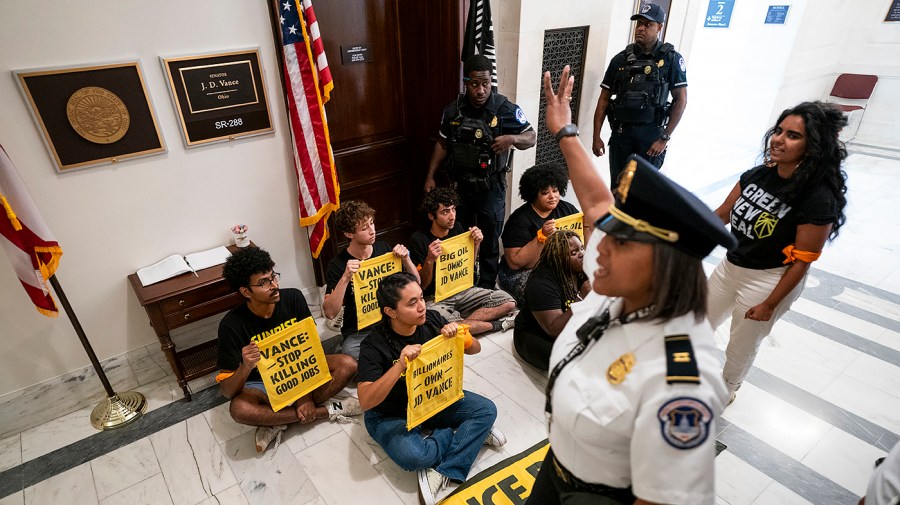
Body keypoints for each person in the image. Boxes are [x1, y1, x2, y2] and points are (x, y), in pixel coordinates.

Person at [523, 66, 737, 505]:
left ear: (662, 262)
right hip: (558, 466)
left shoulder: (683, 380)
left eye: (619, 242)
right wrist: (564, 131)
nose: (598, 246)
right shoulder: (620, 282)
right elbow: (598, 204)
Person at [707, 101, 849, 403]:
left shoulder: (818, 199)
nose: (779, 139)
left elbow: (801, 263)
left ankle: (728, 388)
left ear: (813, 146)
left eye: (793, 135)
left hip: (768, 280)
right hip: (730, 267)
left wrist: (770, 304)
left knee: (740, 345)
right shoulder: (759, 175)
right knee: (697, 322)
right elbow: (721, 213)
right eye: (779, 131)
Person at [356, 272, 507, 505]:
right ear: (390, 312)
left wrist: (461, 336)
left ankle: (446, 469)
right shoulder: (373, 345)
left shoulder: (433, 319)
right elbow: (366, 401)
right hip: (391, 414)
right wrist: (399, 366)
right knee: (416, 457)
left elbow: (475, 349)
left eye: (421, 298)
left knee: (486, 410)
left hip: (432, 399)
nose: (421, 307)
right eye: (412, 303)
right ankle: (462, 435)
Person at [216, 247, 361, 454]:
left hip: (301, 369)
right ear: (246, 291)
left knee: (348, 365)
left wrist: (304, 397)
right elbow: (227, 391)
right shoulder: (231, 325)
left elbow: (312, 352)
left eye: (273, 276)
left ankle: (275, 420)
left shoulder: (293, 298)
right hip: (262, 382)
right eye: (264, 283)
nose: (274, 285)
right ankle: (326, 411)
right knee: (239, 409)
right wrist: (246, 366)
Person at [425, 54, 537, 290]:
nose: (480, 90)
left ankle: (486, 286)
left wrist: (511, 139)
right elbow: (442, 144)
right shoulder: (453, 110)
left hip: (491, 187)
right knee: (458, 236)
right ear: (466, 83)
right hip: (460, 187)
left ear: (491, 82)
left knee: (488, 240)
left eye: (485, 83)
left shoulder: (505, 109)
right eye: (475, 84)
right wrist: (430, 176)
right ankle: (460, 283)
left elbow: (531, 136)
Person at [592, 2, 688, 183]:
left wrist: (664, 138)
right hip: (622, 135)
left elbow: (681, 100)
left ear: (659, 27)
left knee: (644, 191)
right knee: (618, 189)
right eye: (639, 24)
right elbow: (604, 100)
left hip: (651, 138)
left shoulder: (671, 59)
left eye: (647, 24)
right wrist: (596, 136)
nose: (641, 29)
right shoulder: (620, 59)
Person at [409, 187, 518, 335]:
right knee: (436, 321)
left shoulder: (458, 228)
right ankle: (496, 325)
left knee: (508, 302)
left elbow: (467, 267)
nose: (452, 216)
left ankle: (463, 324)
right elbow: (421, 285)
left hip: (462, 289)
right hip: (436, 297)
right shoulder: (419, 239)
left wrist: (476, 244)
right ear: (431, 216)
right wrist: (430, 260)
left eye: (453, 209)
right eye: (445, 212)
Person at [323, 200, 421, 360]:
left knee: (426, 329)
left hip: (392, 322)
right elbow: (330, 312)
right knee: (352, 355)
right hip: (360, 332)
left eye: (372, 223)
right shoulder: (337, 265)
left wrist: (406, 260)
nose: (372, 231)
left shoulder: (384, 249)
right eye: (364, 228)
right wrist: (345, 277)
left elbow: (417, 284)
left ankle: (387, 357)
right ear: (349, 234)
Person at [498, 162, 579, 303]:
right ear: (533, 194)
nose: (552, 196)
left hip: (559, 265)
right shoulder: (519, 220)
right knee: (544, 292)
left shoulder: (567, 209)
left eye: (555, 190)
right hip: (519, 273)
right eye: (545, 193)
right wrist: (541, 237)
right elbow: (515, 263)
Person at [513, 230, 589, 371]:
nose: (582, 254)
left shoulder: (581, 270)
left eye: (582, 248)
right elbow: (554, 329)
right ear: (558, 257)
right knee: (573, 359)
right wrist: (581, 297)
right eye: (573, 253)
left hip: (568, 327)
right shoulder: (541, 283)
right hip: (536, 334)